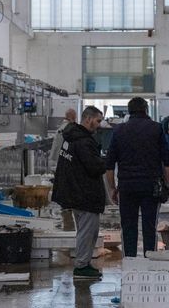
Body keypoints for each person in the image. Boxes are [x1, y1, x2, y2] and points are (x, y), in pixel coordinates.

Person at [106, 97, 169, 257]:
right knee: (149, 227)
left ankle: (130, 262)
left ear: (129, 111)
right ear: (146, 110)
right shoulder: (156, 129)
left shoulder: (118, 130)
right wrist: (167, 185)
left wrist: (112, 189)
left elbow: (109, 166)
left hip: (127, 187)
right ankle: (149, 261)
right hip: (151, 187)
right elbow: (168, 163)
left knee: (128, 228)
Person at [52, 106, 106, 278]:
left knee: (86, 230)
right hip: (84, 193)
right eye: (97, 121)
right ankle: (82, 266)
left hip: (74, 191)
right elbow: (94, 167)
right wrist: (108, 161)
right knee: (87, 231)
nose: (99, 125)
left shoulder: (71, 136)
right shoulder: (83, 141)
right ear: (88, 119)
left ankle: (84, 262)